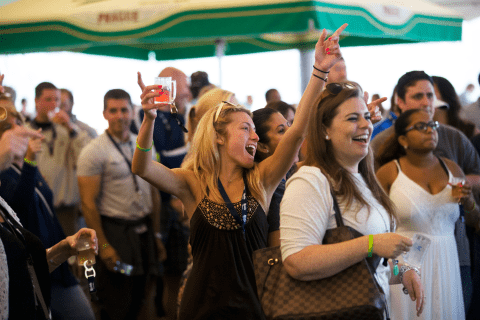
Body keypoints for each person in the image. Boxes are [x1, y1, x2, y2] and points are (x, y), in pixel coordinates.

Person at [133, 23, 348, 319]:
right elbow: (141, 167)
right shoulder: (193, 183)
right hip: (201, 309)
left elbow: (297, 131)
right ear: (219, 136)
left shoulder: (262, 180)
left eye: (255, 131)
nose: (256, 137)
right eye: (245, 129)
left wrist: (320, 71)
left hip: (254, 308)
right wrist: (148, 120)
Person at [280, 81, 425, 319]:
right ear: (325, 129)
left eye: (367, 117)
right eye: (352, 118)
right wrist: (369, 243)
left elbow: (374, 264)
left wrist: (404, 271)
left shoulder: (363, 179)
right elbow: (296, 261)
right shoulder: (310, 181)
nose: (366, 125)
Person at [370, 71, 480, 315]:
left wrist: (469, 199)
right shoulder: (386, 165)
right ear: (403, 139)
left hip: (451, 260)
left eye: (430, 95)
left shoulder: (453, 159)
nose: (426, 102)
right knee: (406, 311)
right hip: (402, 265)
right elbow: (374, 224)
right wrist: (393, 269)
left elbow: (474, 217)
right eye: (421, 127)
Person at [0, 98, 95, 319]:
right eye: (8, 128)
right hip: (34, 268)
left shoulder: (18, 165)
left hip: (49, 254)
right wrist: (31, 161)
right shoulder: (7, 172)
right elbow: (21, 205)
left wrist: (66, 249)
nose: (18, 131)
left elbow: (46, 213)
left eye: (18, 124)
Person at [77, 89, 163, 320]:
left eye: (124, 110)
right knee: (117, 296)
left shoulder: (144, 143)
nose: (119, 115)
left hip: (143, 235)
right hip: (116, 235)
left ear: (132, 111)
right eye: (113, 110)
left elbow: (153, 192)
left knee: (142, 291)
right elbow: (88, 204)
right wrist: (104, 247)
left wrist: (156, 235)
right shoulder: (93, 151)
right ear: (105, 114)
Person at [28, 82, 91, 237]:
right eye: (48, 99)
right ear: (36, 101)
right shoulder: (26, 131)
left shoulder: (68, 131)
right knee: (47, 255)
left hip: (67, 209)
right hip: (38, 208)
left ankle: (81, 262)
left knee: (77, 255)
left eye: (57, 100)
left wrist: (71, 128)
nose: (54, 104)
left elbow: (86, 159)